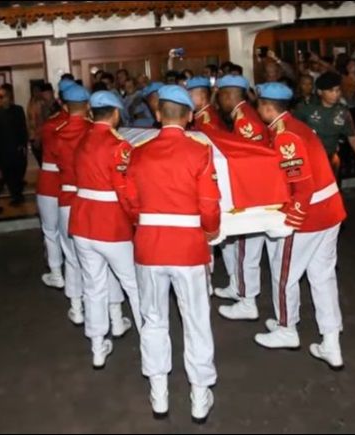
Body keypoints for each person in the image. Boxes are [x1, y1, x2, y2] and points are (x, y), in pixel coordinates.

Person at [124, 85, 220, 423]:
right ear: (190, 116)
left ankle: (159, 395)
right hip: (189, 248)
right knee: (195, 320)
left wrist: (145, 223)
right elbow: (209, 205)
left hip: (149, 245)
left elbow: (130, 201)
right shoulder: (199, 152)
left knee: (152, 319)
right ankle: (198, 395)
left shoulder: (138, 152)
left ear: (158, 114)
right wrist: (210, 231)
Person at [251, 83, 347, 366]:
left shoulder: (286, 136)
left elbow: (302, 186)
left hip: (309, 216)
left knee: (284, 275)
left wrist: (289, 221)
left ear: (268, 108)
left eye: (259, 106)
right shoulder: (297, 126)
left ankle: (286, 329)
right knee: (322, 278)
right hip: (330, 211)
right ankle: (331, 343)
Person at [70, 91, 142, 369]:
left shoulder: (83, 139)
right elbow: (126, 190)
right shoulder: (119, 145)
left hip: (82, 220)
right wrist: (137, 218)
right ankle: (148, 337)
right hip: (111, 223)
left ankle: (98, 347)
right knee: (134, 284)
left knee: (94, 286)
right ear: (115, 113)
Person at [213, 74, 270, 315]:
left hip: (254, 193)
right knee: (244, 250)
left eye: (221, 97)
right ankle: (238, 287)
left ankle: (247, 302)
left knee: (247, 251)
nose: (220, 102)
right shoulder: (243, 113)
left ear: (228, 95)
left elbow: (250, 158)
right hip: (256, 190)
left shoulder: (244, 119)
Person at [297, 72, 355, 181]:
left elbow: (354, 138)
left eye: (338, 90)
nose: (335, 94)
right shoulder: (306, 109)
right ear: (320, 92)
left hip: (331, 159)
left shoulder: (342, 112)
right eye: (331, 91)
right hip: (309, 160)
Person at [55, 84, 92, 325]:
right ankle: (103, 309)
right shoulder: (92, 131)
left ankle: (77, 307)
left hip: (67, 198)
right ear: (88, 106)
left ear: (66, 107)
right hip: (91, 199)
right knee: (95, 259)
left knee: (71, 256)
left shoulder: (58, 132)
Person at [37, 78, 73, 290]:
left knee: (51, 231)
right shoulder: (87, 124)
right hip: (73, 183)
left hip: (50, 182)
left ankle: (56, 273)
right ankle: (74, 273)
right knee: (72, 233)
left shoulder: (51, 124)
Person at [0, 83, 29, 207]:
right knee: (7, 173)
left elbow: (23, 129)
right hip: (3, 149)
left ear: (9, 96)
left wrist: (23, 145)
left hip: (17, 148)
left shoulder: (18, 110)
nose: (1, 99)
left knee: (18, 172)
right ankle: (15, 195)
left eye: (3, 96)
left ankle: (18, 194)